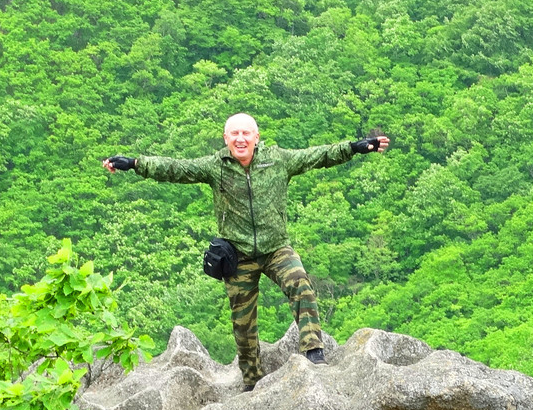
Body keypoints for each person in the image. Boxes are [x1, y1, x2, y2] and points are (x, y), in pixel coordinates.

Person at [104, 114, 391, 390]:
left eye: (246, 133)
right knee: (243, 323)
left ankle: (313, 350)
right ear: (226, 138)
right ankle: (252, 379)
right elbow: (174, 168)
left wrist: (355, 148)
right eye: (235, 134)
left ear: (256, 137)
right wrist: (134, 163)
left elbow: (318, 155)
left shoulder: (277, 160)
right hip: (238, 254)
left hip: (275, 247)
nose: (240, 139)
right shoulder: (216, 166)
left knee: (300, 285)